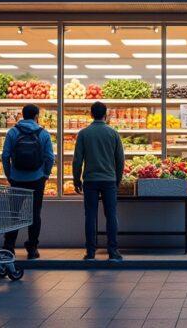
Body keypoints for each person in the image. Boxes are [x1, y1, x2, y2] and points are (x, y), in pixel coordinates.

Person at [1, 104, 54, 260]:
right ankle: (32, 248)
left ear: (22, 115)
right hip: (37, 179)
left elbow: (5, 155)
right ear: (37, 116)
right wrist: (45, 174)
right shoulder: (43, 133)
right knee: (35, 214)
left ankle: (9, 246)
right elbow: (50, 157)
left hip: (17, 179)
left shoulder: (13, 132)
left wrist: (9, 175)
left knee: (14, 214)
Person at [73, 101, 124, 262]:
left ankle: (90, 253)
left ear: (90, 114)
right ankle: (113, 252)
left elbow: (77, 160)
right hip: (109, 180)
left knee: (90, 216)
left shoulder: (83, 133)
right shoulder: (113, 133)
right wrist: (118, 178)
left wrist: (76, 180)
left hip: (90, 180)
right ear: (106, 114)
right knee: (111, 215)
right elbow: (120, 160)